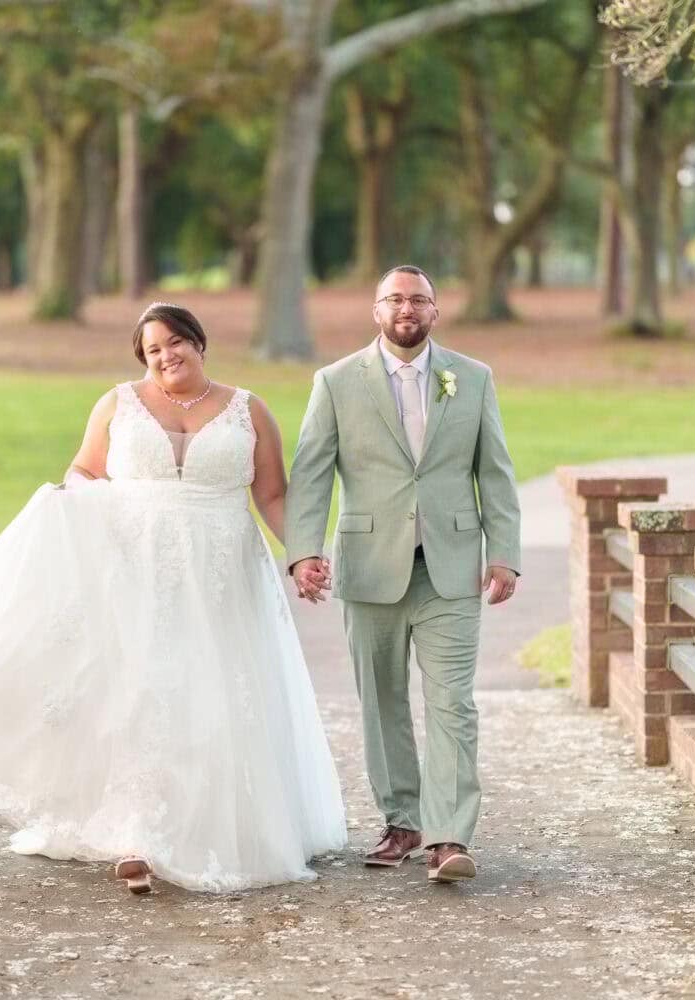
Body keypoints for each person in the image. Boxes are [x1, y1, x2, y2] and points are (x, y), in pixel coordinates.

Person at [0, 302, 346, 895]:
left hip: (224, 572)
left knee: (215, 695)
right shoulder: (118, 404)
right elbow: (83, 471)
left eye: (175, 343)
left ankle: (214, 826)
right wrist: (70, 507)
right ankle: (137, 837)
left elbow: (274, 494)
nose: (165, 357)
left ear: (199, 343)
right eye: (152, 350)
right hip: (136, 569)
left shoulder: (248, 409)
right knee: (141, 693)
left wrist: (302, 553)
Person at [284, 265, 521, 884]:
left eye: (418, 299)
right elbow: (311, 471)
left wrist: (504, 552)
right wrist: (303, 551)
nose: (406, 309)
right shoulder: (335, 382)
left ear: (436, 311)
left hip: (450, 569)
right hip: (368, 568)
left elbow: (493, 470)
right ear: (376, 311)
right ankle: (403, 820)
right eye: (395, 299)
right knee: (382, 701)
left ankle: (448, 836)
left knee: (453, 705)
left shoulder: (471, 378)